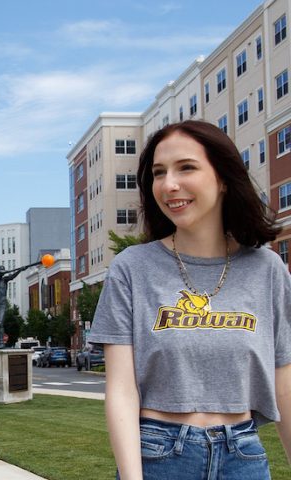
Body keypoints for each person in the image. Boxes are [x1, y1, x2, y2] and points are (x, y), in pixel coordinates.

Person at [89, 120, 291, 479]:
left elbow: (285, 381)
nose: (169, 185)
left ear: (224, 178)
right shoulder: (132, 268)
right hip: (158, 456)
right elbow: (121, 389)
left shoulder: (268, 269)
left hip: (243, 456)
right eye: (158, 172)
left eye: (187, 168)